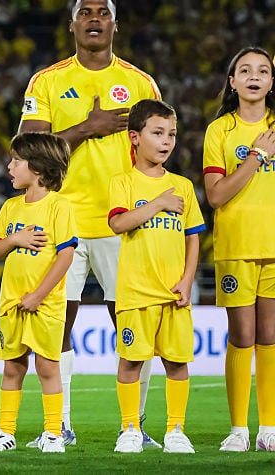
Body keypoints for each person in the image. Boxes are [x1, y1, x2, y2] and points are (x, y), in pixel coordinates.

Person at [18, 0, 161, 447]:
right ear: (73, 23)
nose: (94, 19)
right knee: (57, 325)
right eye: (86, 12)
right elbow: (29, 150)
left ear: (116, 24)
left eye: (103, 12)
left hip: (126, 220)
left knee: (134, 326)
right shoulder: (48, 81)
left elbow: (160, 151)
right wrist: (87, 128)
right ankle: (60, 426)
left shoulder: (141, 84)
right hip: (65, 221)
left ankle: (133, 428)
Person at [109, 99, 202, 454]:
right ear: (135, 137)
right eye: (158, 133)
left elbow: (193, 236)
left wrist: (187, 279)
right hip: (135, 292)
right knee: (131, 361)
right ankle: (130, 428)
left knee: (177, 363)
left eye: (172, 134)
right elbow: (118, 222)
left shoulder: (183, 186)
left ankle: (175, 430)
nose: (166, 141)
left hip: (173, 292)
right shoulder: (124, 183)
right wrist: (158, 204)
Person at [0, 132, 76, 454]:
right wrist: (14, 240)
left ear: (37, 167)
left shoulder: (59, 207)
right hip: (11, 303)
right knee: (12, 367)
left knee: (48, 368)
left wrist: (38, 294)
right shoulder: (10, 207)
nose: (9, 167)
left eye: (16, 161)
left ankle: (53, 433)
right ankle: (5, 432)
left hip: (45, 304)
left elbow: (65, 255)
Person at [203, 47, 275, 452]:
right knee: (242, 336)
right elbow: (216, 195)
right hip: (237, 244)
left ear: (270, 81)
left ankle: (269, 428)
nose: (254, 76)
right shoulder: (221, 132)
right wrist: (258, 157)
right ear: (232, 82)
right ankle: (238, 430)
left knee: (270, 335)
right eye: (244, 70)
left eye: (262, 71)